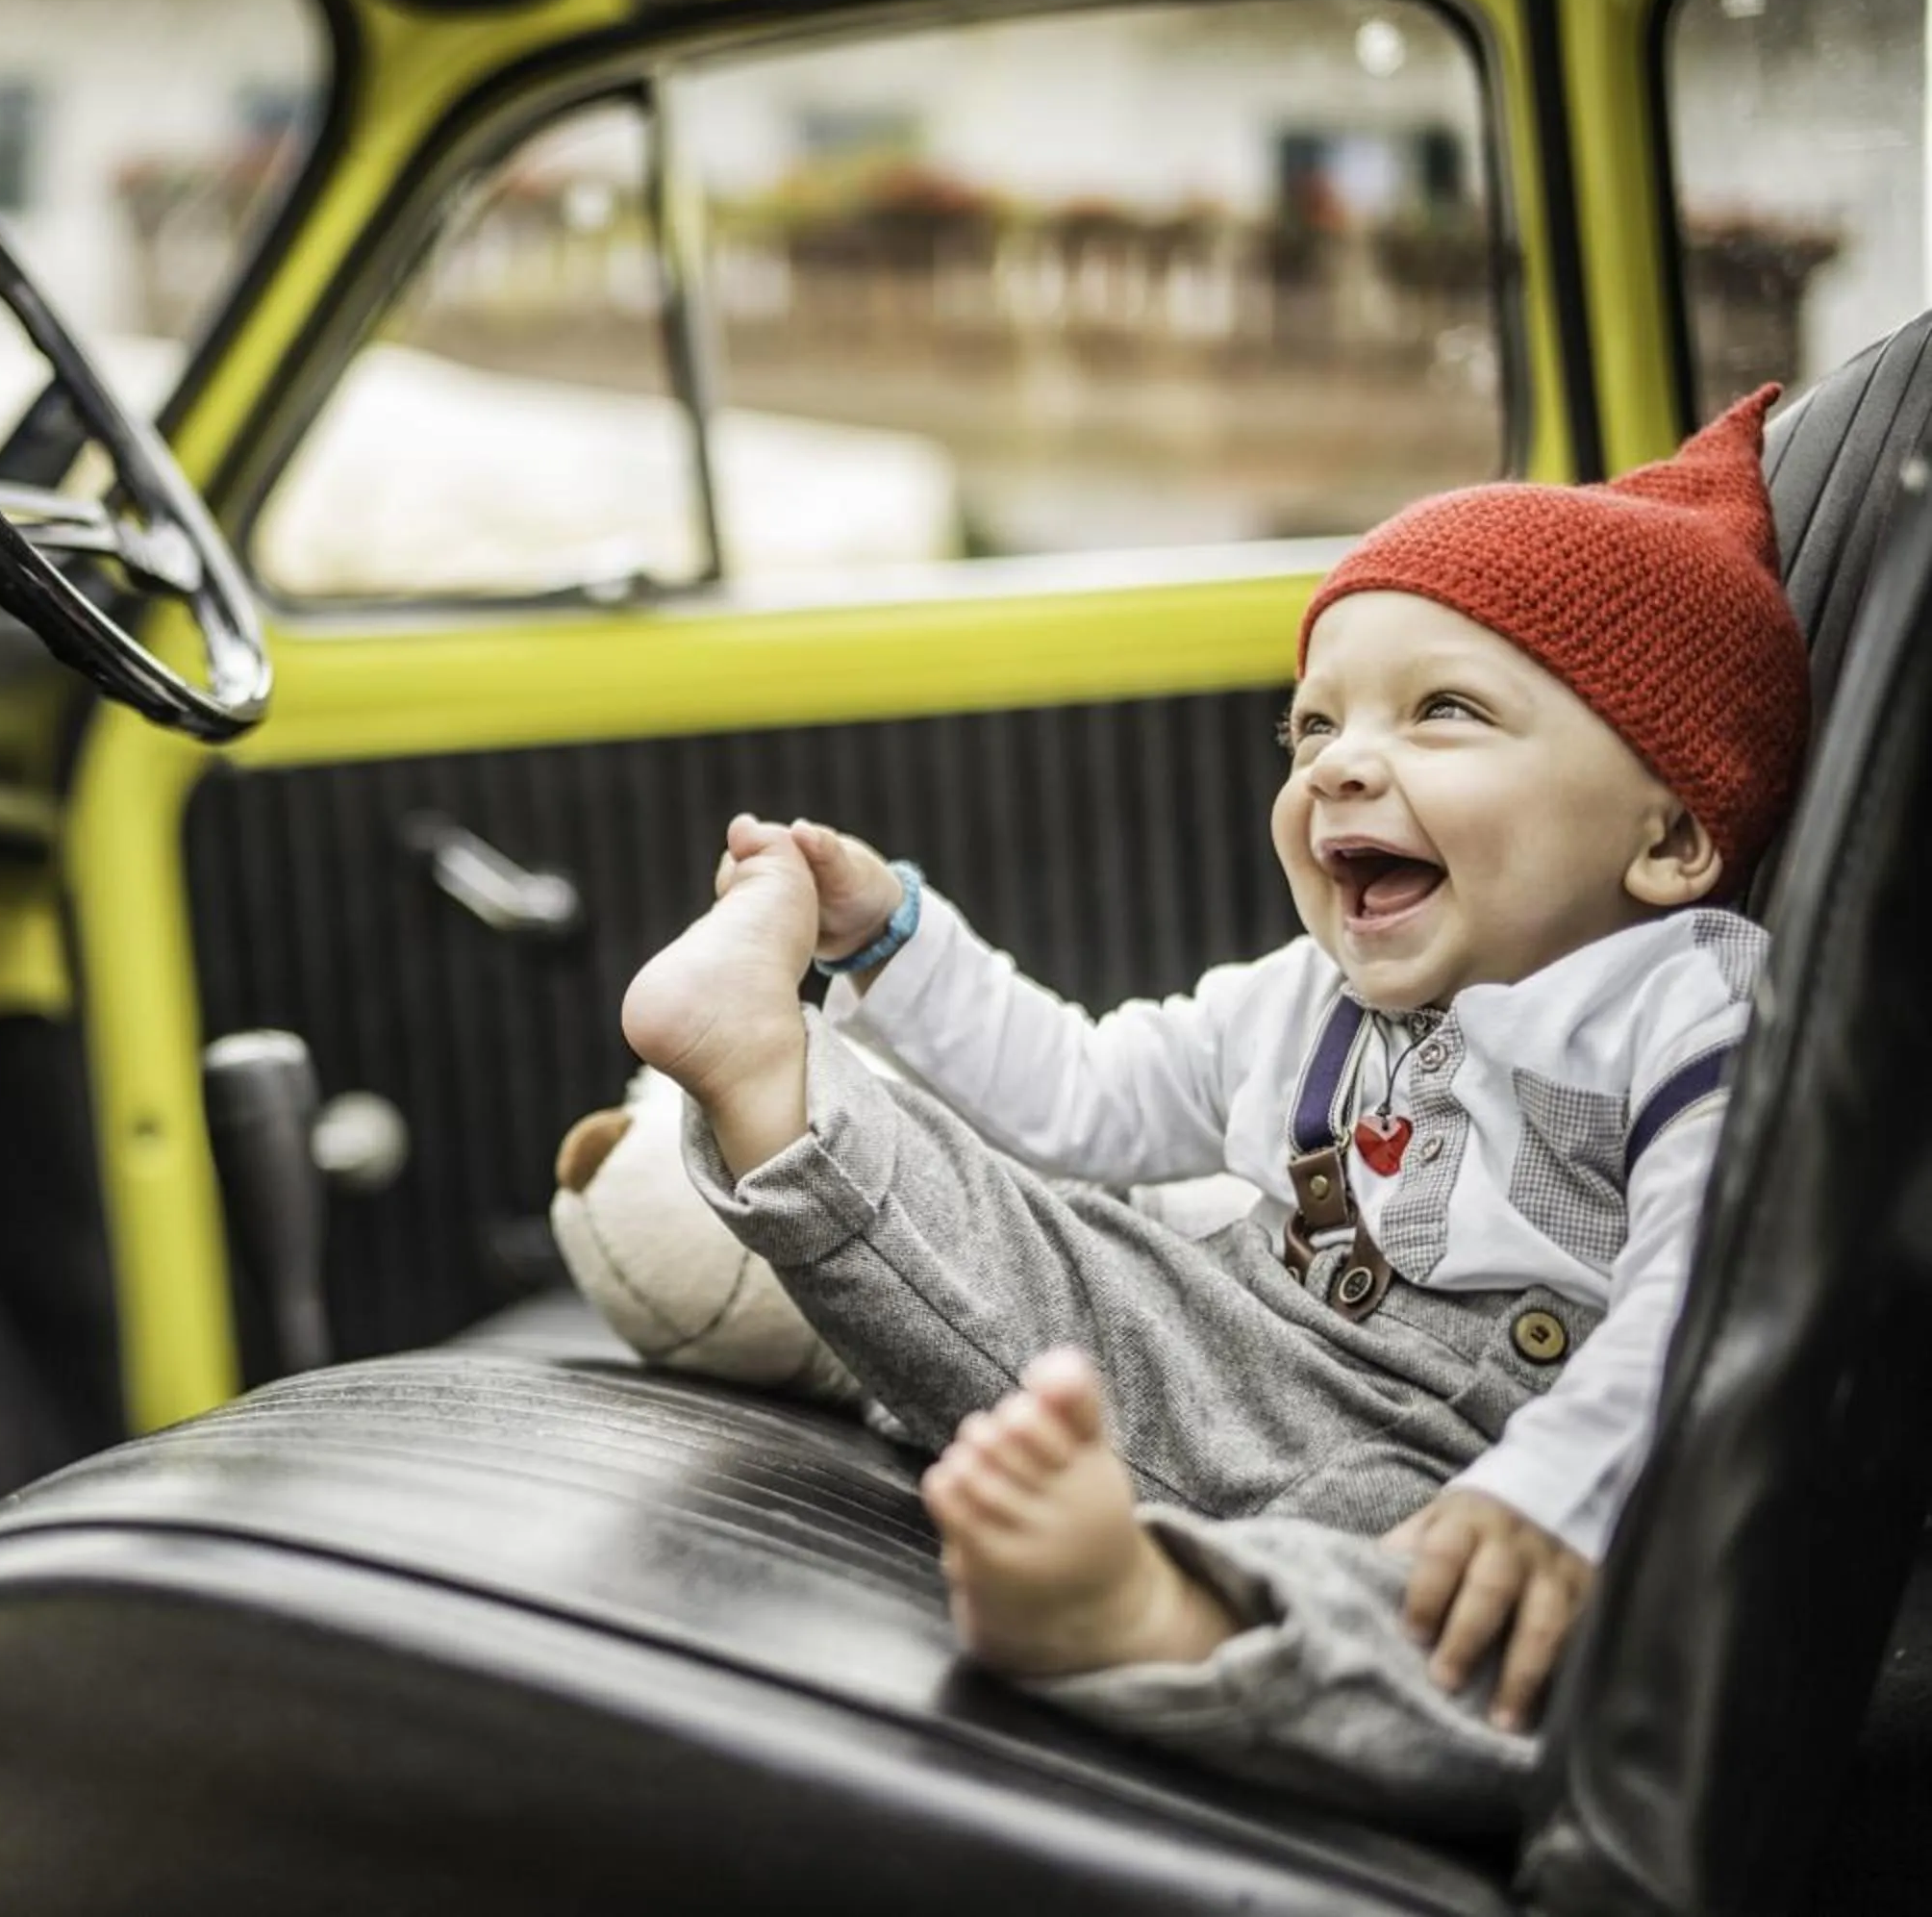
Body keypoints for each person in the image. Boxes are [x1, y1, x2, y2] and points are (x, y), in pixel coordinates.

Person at [616, 387, 1808, 1829]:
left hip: (1485, 1453)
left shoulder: (1688, 1008)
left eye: (1444, 712)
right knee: (1061, 1249)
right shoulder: (1305, 994)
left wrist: (1567, 1489)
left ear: (1671, 836)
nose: (1341, 766)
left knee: (1513, 1630)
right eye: (1310, 731)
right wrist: (894, 947)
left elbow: (1709, 1292)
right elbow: (1075, 1096)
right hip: (1239, 1340)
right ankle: (774, 1083)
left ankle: (1170, 1622)